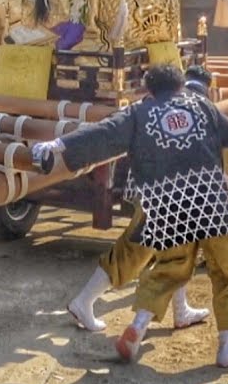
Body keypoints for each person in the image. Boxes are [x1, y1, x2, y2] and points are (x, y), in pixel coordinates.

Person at [34, 64, 228, 368]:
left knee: (170, 267)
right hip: (211, 200)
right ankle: (227, 348)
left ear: (149, 90)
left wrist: (58, 144)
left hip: (165, 203)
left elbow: (104, 133)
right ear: (180, 87)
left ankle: (138, 326)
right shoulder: (202, 105)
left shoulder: (139, 112)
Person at [65, 64, 214, 334]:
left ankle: (180, 309)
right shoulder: (194, 105)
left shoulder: (148, 104)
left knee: (178, 250)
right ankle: (84, 300)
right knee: (134, 252)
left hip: (155, 190)